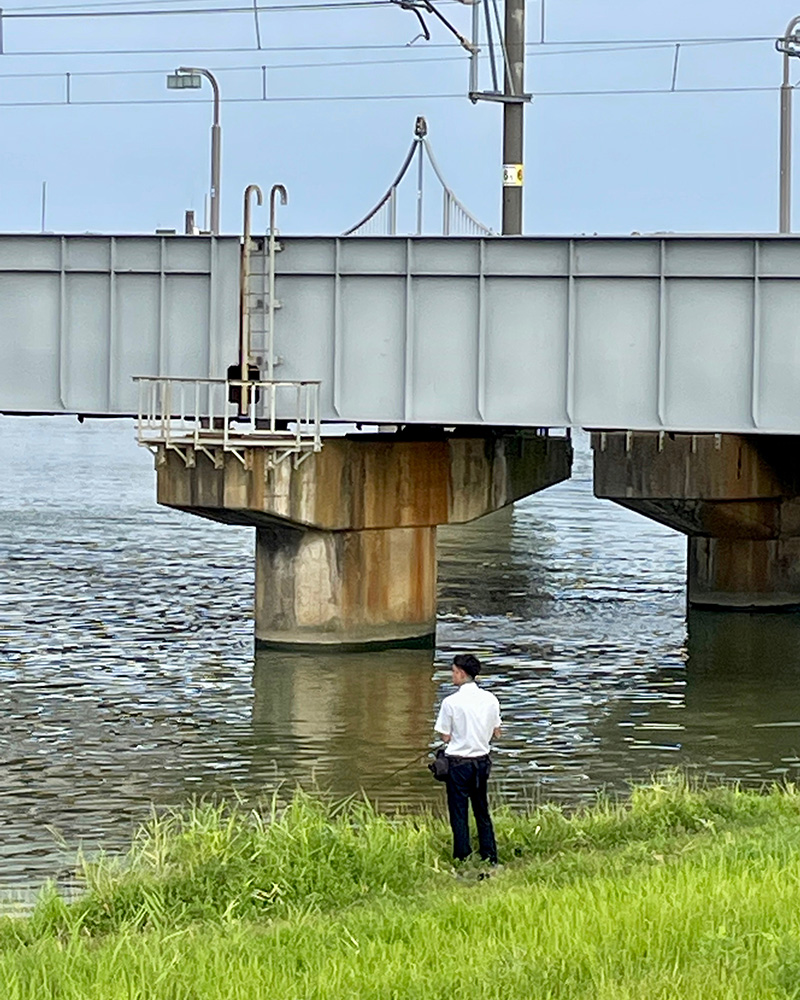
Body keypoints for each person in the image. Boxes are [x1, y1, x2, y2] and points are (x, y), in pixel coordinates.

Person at [434, 653, 501, 865]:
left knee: (459, 812)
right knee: (482, 809)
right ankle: (490, 855)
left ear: (462, 674)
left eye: (454, 672)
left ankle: (462, 856)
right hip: (481, 762)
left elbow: (444, 735)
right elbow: (497, 732)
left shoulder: (450, 702)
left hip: (458, 763)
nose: (452, 675)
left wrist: (455, 734)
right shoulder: (491, 699)